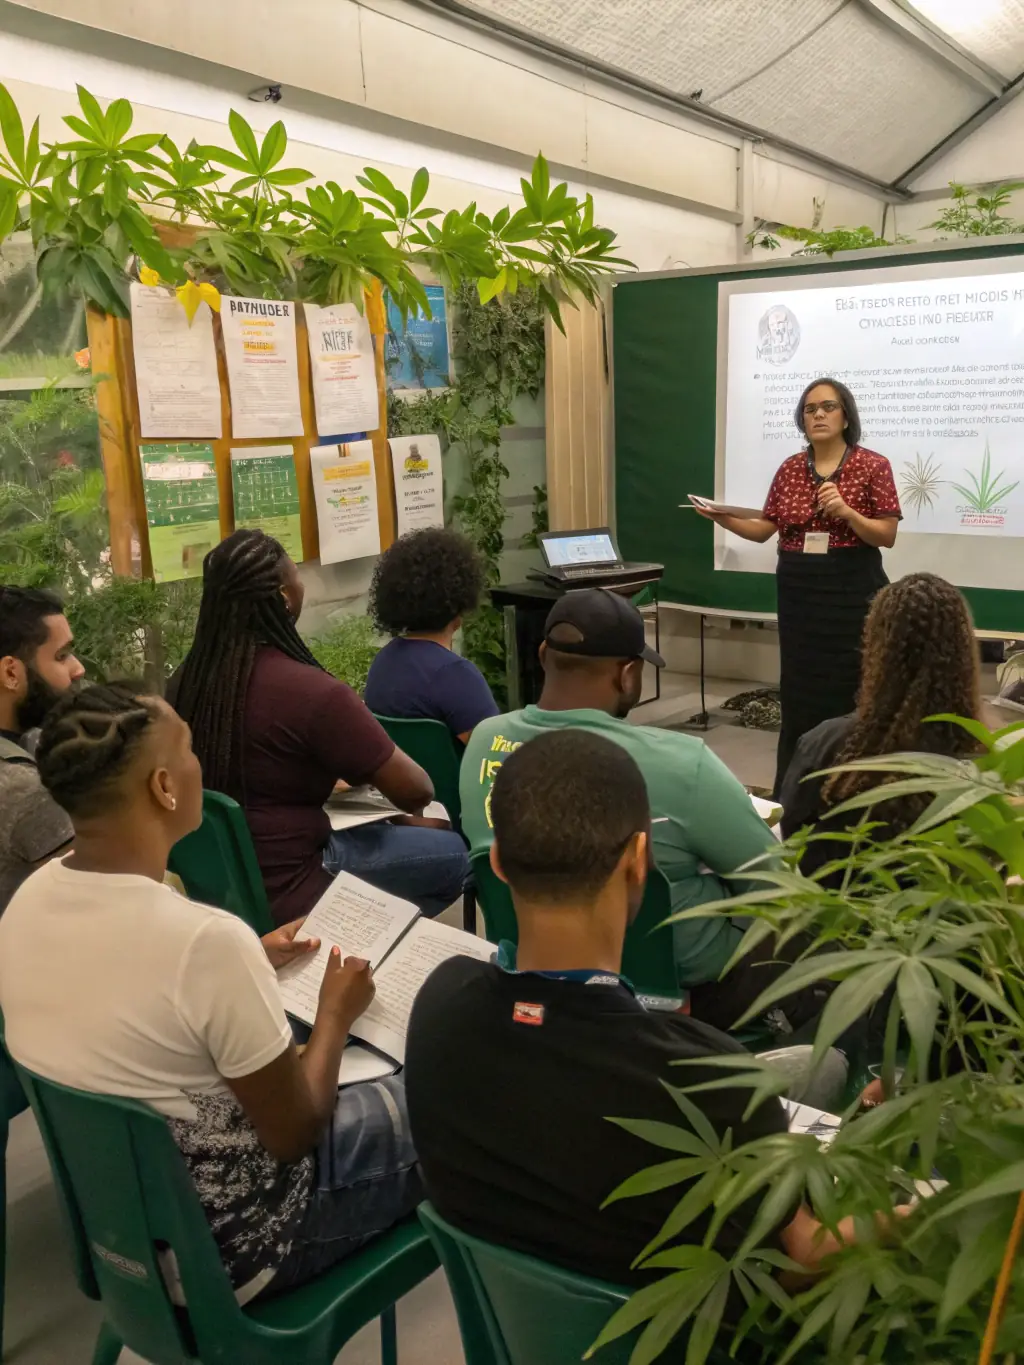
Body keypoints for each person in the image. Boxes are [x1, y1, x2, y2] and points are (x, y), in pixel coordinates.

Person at [0, 683, 421, 1300]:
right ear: (164, 787)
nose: (201, 767)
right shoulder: (202, 941)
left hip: (124, 1236)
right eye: (192, 752)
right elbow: (295, 1131)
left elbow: (133, 986)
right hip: (239, 1251)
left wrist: (252, 951)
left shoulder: (27, 902)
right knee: (448, 1084)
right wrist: (334, 1014)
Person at [407, 730, 862, 1290]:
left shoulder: (439, 1007)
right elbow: (804, 1258)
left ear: (497, 861)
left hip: (521, 1337)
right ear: (638, 860)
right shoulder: (711, 1082)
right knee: (832, 1066)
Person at [459, 588, 779, 1018]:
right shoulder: (684, 762)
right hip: (680, 984)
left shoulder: (483, 740)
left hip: (529, 965)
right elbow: (773, 885)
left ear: (541, 654)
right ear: (627, 674)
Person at [170, 529, 468, 924]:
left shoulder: (183, 684)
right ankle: (354, 936)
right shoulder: (314, 693)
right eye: (298, 578)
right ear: (283, 597)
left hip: (222, 888)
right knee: (459, 856)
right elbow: (417, 792)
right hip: (301, 881)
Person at [697, 378, 902, 796]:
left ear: (846, 415)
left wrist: (846, 512)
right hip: (799, 591)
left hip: (851, 588)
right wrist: (722, 518)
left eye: (829, 406)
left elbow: (885, 535)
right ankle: (796, 792)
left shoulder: (872, 465)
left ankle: (851, 789)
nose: (819, 415)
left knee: (852, 685)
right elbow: (765, 530)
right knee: (800, 689)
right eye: (810, 409)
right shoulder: (791, 468)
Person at [780, 572, 982, 882]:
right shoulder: (985, 768)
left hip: (832, 920)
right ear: (964, 654)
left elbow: (791, 836)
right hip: (940, 925)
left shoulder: (825, 745)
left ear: (875, 647)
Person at [364, 527, 499, 745]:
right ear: (461, 600)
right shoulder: (456, 675)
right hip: (452, 781)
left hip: (398, 781)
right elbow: (494, 753)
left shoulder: (383, 662)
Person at [0, 586, 84, 911]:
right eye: (61, 656)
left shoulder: (28, 743)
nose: (78, 669)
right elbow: (108, 895)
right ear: (11, 672)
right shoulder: (22, 789)